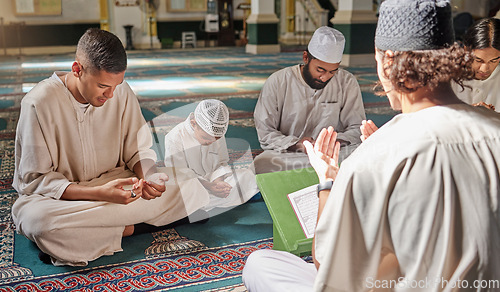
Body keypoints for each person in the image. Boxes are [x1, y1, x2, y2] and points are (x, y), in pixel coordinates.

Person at [242, 0, 500, 291]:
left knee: (261, 263)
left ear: (386, 61)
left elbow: (327, 264)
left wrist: (327, 182)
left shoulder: (375, 157)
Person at [11, 28, 207, 266]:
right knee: (37, 221)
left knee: (189, 181)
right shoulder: (38, 103)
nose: (112, 95)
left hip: (121, 186)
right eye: (103, 86)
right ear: (77, 70)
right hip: (66, 199)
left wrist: (149, 178)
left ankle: (84, 238)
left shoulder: (119, 91)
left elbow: (138, 151)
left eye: (118, 85)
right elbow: (35, 181)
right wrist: (98, 193)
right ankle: (134, 226)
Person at [253, 26, 366, 174]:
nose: (325, 77)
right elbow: (265, 132)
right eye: (320, 70)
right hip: (291, 154)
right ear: (305, 57)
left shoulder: (347, 81)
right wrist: (298, 145)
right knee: (263, 163)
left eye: (332, 71)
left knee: (365, 155)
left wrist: (334, 142)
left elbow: (357, 127)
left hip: (332, 154)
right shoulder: (278, 81)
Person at [164, 99, 259, 216]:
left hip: (212, 182)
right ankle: (239, 197)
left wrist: (218, 182)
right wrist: (209, 186)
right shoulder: (175, 138)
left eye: (216, 139)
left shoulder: (215, 133)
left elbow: (222, 163)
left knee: (246, 175)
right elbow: (179, 175)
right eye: (205, 138)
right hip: (191, 185)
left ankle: (204, 206)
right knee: (182, 196)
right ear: (194, 124)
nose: (211, 142)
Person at [451, 17, 500, 112]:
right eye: (478, 60)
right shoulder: (448, 75)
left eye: (493, 61)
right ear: (466, 50)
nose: (484, 69)